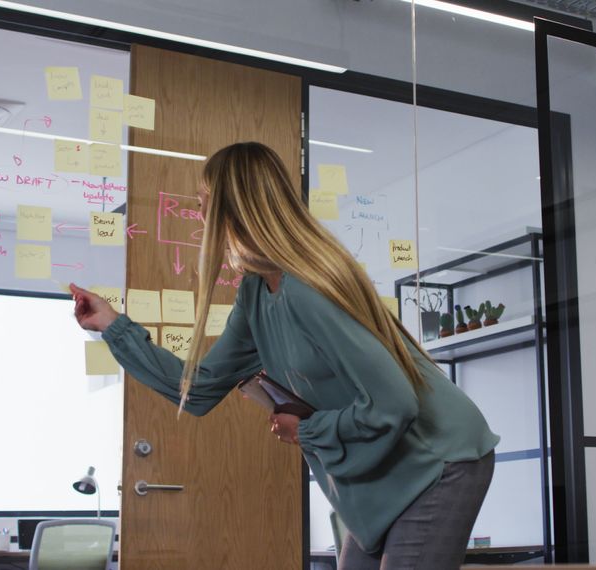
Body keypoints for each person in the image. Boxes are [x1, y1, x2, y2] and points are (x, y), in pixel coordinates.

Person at [69, 142, 498, 570]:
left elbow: (394, 404)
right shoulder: (257, 291)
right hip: (386, 468)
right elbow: (197, 390)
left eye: (205, 203)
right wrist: (112, 325)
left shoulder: (308, 289)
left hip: (442, 457)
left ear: (234, 208)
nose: (201, 215)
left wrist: (307, 429)